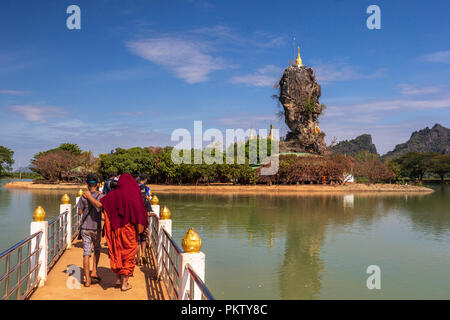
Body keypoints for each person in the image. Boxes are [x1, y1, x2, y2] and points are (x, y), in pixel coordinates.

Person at [83, 173, 148, 292]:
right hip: (129, 231)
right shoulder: (134, 197)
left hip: (115, 230)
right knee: (128, 255)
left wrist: (89, 197)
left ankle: (118, 279)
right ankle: (124, 283)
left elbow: (102, 206)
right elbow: (139, 216)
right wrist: (141, 231)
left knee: (117, 253)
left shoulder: (112, 195)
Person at [77, 173, 104, 287]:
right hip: (96, 228)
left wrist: (88, 198)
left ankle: (87, 280)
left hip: (85, 228)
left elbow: (79, 212)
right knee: (97, 249)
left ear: (87, 184)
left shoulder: (83, 196)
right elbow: (101, 207)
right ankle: (94, 271)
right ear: (97, 184)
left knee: (86, 253)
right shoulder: (101, 196)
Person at [136, 174, 153, 265]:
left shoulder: (135, 201)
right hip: (144, 223)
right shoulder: (146, 201)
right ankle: (143, 254)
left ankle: (138, 258)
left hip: (136, 223)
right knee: (143, 239)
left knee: (137, 241)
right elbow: (149, 213)